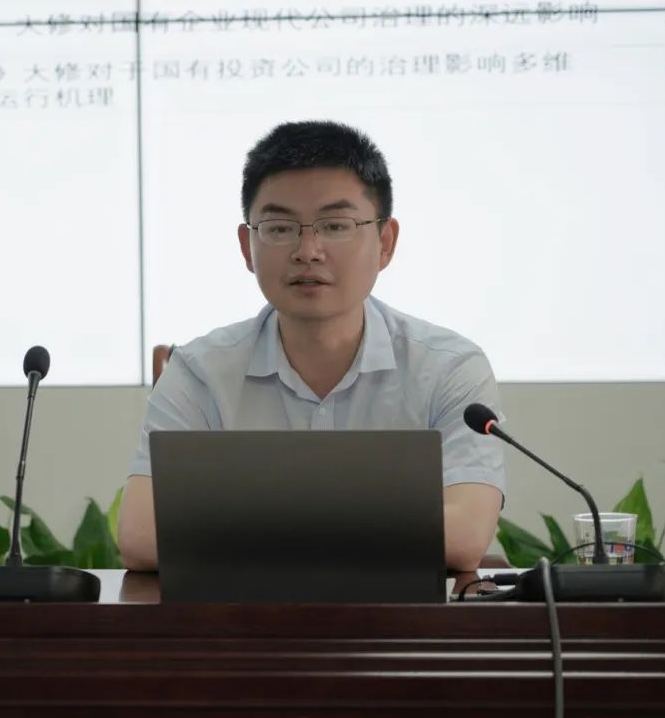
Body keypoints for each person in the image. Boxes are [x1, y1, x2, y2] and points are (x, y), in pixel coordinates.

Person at [117, 120, 506, 573]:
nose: (308, 250)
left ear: (385, 242)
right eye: (279, 228)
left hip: (398, 618)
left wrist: (241, 529)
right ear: (247, 246)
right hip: (245, 616)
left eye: (335, 225)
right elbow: (142, 534)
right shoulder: (200, 372)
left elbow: (463, 536)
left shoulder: (449, 368)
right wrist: (381, 530)